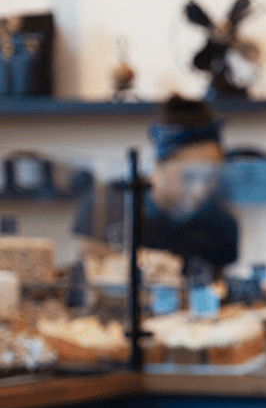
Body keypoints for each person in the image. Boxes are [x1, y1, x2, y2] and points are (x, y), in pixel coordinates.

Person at [73, 94, 240, 284]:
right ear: (158, 167)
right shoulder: (105, 206)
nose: (199, 190)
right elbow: (93, 283)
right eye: (188, 177)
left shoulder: (221, 223)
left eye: (210, 177)